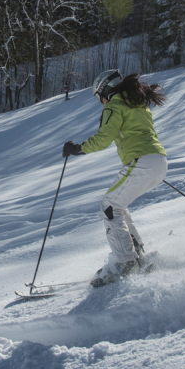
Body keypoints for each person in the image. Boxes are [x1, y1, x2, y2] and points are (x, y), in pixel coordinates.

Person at [62, 70, 168, 288]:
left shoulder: (114, 104)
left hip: (142, 162)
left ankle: (125, 263)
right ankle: (136, 255)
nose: (100, 102)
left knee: (109, 206)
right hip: (158, 161)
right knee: (117, 206)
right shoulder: (137, 103)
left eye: (98, 97)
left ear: (105, 90)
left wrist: (77, 149)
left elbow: (103, 139)